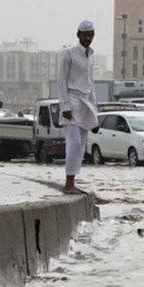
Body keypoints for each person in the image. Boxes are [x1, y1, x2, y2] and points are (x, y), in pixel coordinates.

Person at [58, 20, 98, 195]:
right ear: (78, 35)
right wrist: (65, 106)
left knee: (82, 144)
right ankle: (68, 183)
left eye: (90, 35)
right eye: (85, 35)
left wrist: (95, 110)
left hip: (86, 102)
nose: (87, 38)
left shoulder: (91, 55)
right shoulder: (69, 54)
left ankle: (73, 180)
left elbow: (91, 83)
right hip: (72, 101)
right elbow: (61, 81)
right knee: (73, 143)